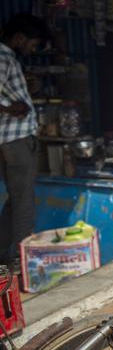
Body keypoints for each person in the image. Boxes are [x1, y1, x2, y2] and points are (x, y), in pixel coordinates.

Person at [0, 14, 46, 269]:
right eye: (33, 43)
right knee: (24, 199)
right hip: (16, 139)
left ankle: (3, 253)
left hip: (9, 141)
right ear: (19, 38)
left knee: (15, 198)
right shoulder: (4, 57)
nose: (33, 49)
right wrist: (10, 109)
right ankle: (21, 260)